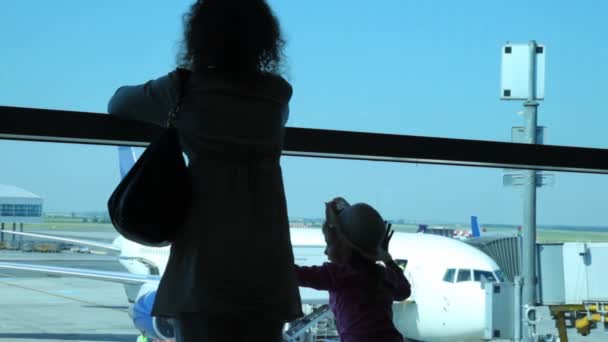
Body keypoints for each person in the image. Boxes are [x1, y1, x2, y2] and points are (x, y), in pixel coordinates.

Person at [107, 0, 302, 340]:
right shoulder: (276, 93)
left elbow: (119, 103)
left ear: (199, 38)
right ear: (264, 40)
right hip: (265, 250)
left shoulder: (184, 88)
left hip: (205, 248)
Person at [294, 197, 411, 342]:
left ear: (344, 247)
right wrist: (387, 259)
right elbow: (404, 291)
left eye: (329, 244)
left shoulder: (337, 275)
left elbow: (294, 274)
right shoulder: (383, 274)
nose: (325, 251)